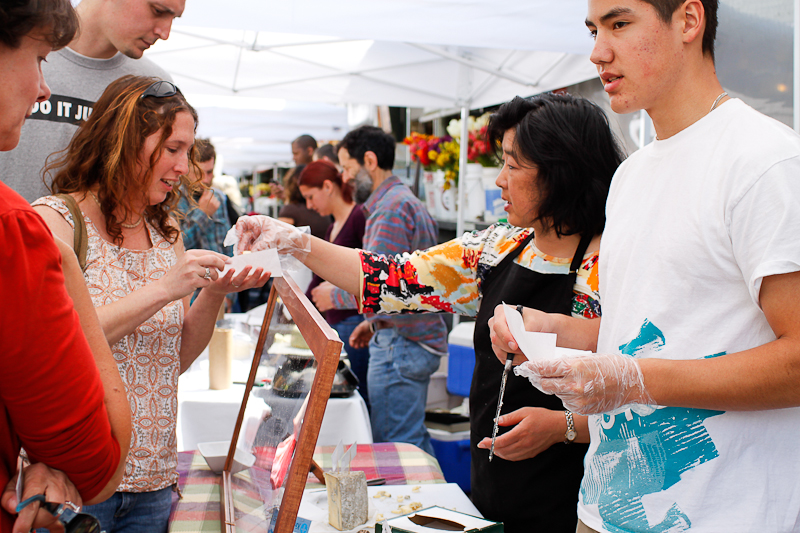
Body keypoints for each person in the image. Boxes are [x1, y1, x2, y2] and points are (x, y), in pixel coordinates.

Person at [231, 96, 622, 531]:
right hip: (494, 481)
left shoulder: (609, 265)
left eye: (513, 166)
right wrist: (294, 240)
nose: (498, 181)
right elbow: (391, 276)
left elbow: (646, 392)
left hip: (578, 498)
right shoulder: (497, 248)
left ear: (561, 171)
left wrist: (562, 425)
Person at [491, 1, 800, 532]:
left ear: (688, 21)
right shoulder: (632, 176)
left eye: (619, 24)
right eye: (593, 30)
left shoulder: (762, 160)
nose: (597, 52)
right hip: (602, 509)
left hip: (720, 514)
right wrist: (556, 330)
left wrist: (633, 380)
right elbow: (650, 327)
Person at [32, 75, 270, 533]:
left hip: (155, 484)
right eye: (173, 148)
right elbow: (50, 349)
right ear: (124, 143)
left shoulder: (167, 234)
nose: (185, 165)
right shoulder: (56, 221)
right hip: (76, 485)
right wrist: (163, 288)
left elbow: (172, 360)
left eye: (189, 150)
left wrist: (216, 290)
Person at [0, 2, 131, 532]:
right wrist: (61, 261)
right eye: (38, 58)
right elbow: (99, 464)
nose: (43, 87)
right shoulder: (18, 227)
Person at [0, 0, 183, 202]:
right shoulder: (15, 52)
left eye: (173, 18)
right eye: (157, 11)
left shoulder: (155, 88)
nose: (165, 32)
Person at [298, 160, 372, 410]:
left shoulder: (358, 218)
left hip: (354, 322)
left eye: (310, 197)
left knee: (359, 398)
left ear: (328, 187)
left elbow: (371, 274)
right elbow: (320, 276)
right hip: (338, 322)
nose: (309, 205)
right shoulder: (332, 226)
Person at [278, 165, 332, 239]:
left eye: (310, 197)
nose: (308, 205)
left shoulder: (290, 211)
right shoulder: (324, 210)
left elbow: (279, 239)